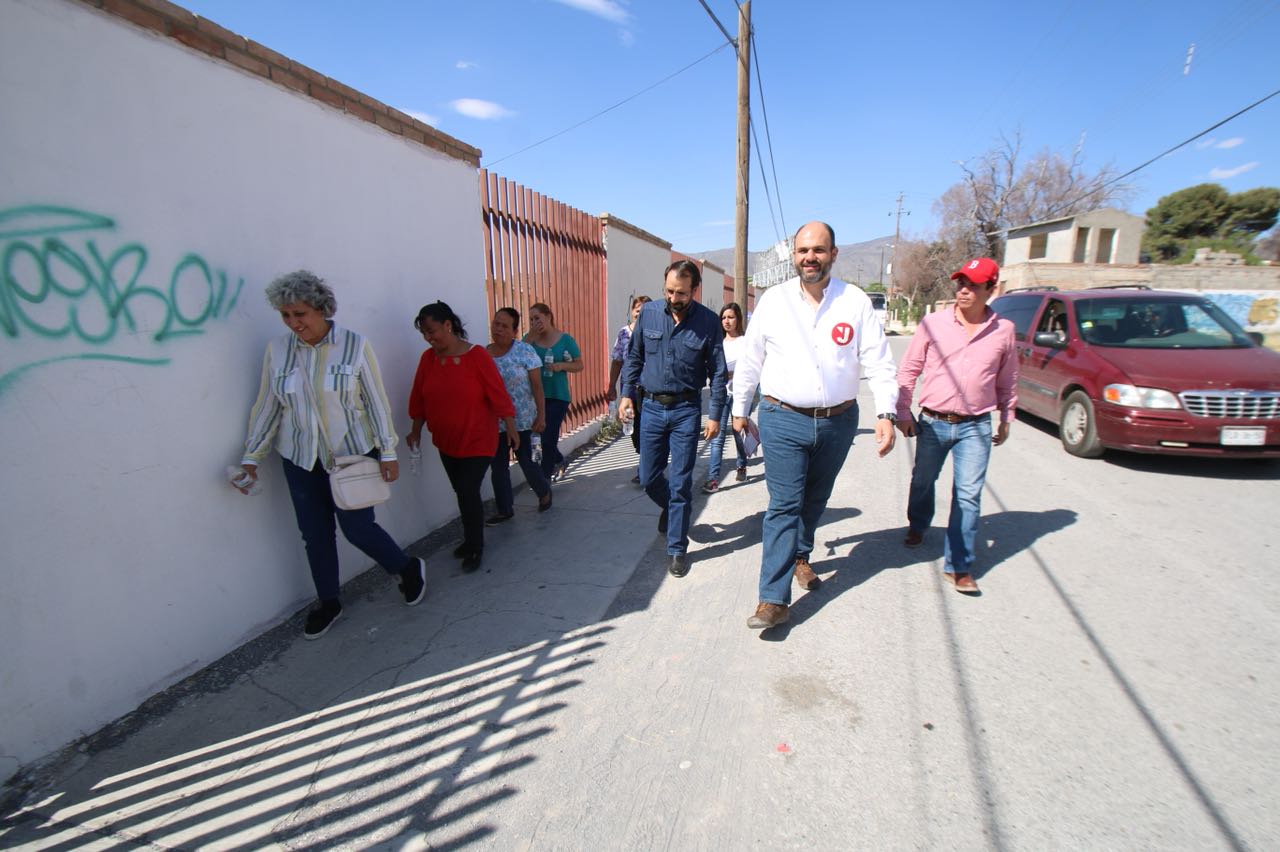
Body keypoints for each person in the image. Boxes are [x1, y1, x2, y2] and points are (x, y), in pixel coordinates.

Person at [236, 270, 426, 641]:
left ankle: (405, 568)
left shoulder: (355, 346)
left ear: (322, 309)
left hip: (352, 456)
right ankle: (329, 601)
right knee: (314, 534)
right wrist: (251, 457)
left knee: (357, 529)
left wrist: (387, 452)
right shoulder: (277, 350)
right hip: (299, 458)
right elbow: (267, 407)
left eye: (300, 314)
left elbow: (376, 402)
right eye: (286, 316)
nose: (293, 323)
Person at [732, 222, 898, 630]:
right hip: (782, 417)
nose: (811, 257)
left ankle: (801, 557)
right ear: (794, 256)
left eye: (819, 250)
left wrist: (886, 413)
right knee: (784, 505)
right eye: (804, 250)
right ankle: (773, 599)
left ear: (833, 254)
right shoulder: (774, 301)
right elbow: (750, 359)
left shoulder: (854, 302)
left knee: (816, 498)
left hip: (838, 422)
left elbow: (878, 360)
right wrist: (739, 409)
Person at [897, 256, 1018, 594]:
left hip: (976, 426)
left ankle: (958, 565)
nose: (964, 291)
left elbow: (1008, 380)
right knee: (923, 480)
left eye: (973, 285)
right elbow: (909, 369)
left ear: (991, 289)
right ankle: (918, 524)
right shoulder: (932, 323)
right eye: (961, 284)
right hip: (933, 422)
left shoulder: (1003, 331)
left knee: (968, 495)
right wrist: (902, 412)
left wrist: (1007, 417)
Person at [619, 259, 727, 578]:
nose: (673, 298)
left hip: (686, 410)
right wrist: (626, 394)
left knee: (680, 482)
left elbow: (718, 374)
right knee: (649, 475)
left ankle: (677, 548)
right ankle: (672, 508)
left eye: (681, 293)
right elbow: (634, 356)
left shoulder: (708, 322)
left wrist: (716, 415)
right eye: (668, 291)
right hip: (650, 407)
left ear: (695, 290)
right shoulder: (650, 313)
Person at [407, 302, 517, 573]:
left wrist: (511, 427)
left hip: (479, 439)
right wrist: (415, 429)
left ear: (448, 325)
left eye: (432, 331)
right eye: (424, 333)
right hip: (447, 441)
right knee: (462, 493)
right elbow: (419, 397)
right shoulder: (428, 359)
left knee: (468, 491)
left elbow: (497, 393)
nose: (429, 338)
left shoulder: (477, 356)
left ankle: (475, 546)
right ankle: (470, 538)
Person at [486, 307, 554, 524]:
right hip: (495, 423)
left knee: (529, 462)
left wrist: (541, 416)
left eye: (504, 326)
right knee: (498, 467)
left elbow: (537, 387)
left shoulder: (525, 351)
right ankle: (504, 509)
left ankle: (544, 492)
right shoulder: (484, 354)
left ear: (515, 331)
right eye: (496, 323)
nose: (498, 329)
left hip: (525, 420)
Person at [524, 302, 583, 482]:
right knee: (538, 437)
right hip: (534, 397)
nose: (535, 322)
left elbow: (579, 364)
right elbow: (517, 355)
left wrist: (562, 365)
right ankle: (559, 460)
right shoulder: (530, 339)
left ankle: (544, 480)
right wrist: (530, 337)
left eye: (537, 318)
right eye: (531, 319)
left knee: (548, 437)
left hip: (557, 396)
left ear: (548, 317)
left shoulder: (565, 340)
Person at [703, 301, 751, 493]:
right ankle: (713, 479)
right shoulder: (717, 342)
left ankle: (742, 464)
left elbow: (751, 368)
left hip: (739, 394)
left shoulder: (746, 342)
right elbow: (711, 367)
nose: (727, 321)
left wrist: (731, 374)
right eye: (723, 317)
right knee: (718, 436)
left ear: (738, 319)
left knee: (738, 432)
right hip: (720, 394)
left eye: (731, 317)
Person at [606, 294, 652, 483]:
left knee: (647, 427)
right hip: (629, 390)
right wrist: (612, 385)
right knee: (632, 428)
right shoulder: (624, 333)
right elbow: (617, 362)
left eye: (644, 311)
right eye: (637, 310)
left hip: (650, 390)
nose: (640, 314)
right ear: (632, 312)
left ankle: (645, 468)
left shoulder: (654, 333)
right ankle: (646, 459)